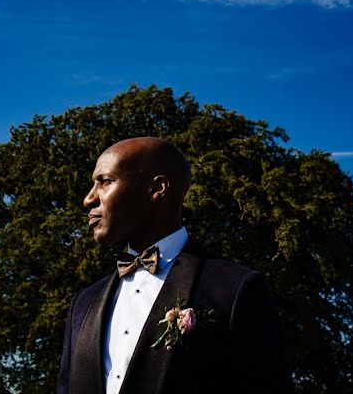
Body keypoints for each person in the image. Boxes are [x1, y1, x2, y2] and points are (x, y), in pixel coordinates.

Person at [57, 137, 294, 394]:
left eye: (104, 182)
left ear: (157, 188)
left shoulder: (235, 289)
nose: (89, 199)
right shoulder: (83, 303)